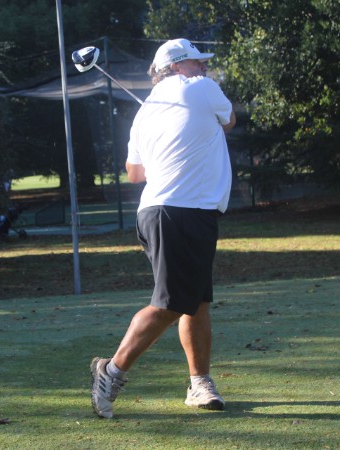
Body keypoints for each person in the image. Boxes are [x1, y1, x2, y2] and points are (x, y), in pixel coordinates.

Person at [90, 38, 236, 419]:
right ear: (177, 67)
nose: (204, 68)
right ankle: (111, 371)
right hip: (177, 211)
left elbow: (134, 173)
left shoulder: (144, 113)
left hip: (175, 212)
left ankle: (199, 383)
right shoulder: (202, 88)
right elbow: (230, 120)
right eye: (197, 62)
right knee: (172, 303)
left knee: (196, 302)